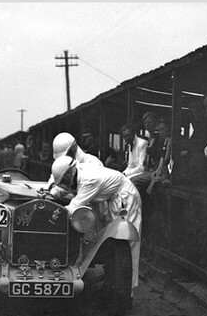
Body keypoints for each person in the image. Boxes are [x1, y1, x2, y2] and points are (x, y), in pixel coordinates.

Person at [50, 155, 143, 294]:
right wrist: (56, 190)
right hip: (112, 199)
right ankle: (112, 284)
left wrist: (53, 213)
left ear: (70, 172)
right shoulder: (78, 170)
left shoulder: (89, 180)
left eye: (64, 179)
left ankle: (126, 293)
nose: (63, 183)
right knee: (112, 242)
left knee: (127, 245)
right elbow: (69, 188)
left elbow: (74, 207)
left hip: (125, 198)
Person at [120, 122, 151, 190]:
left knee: (128, 182)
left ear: (134, 133)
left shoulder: (142, 143)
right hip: (136, 172)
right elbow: (130, 165)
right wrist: (122, 174)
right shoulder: (129, 144)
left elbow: (141, 167)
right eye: (125, 136)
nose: (127, 138)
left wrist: (125, 175)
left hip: (143, 172)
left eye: (129, 135)